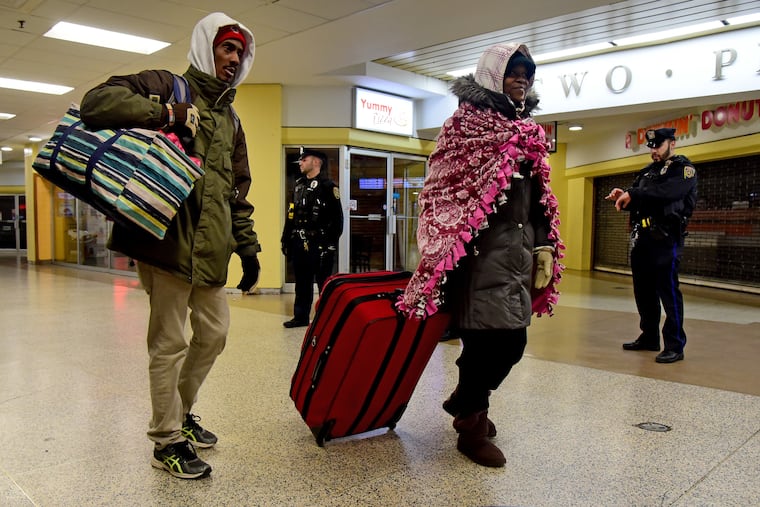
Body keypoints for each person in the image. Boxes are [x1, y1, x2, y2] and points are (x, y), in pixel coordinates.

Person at [80, 12, 260, 479]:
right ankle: (166, 441)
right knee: (170, 342)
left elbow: (236, 190)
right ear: (207, 48)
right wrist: (164, 113)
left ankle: (180, 412)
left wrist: (248, 247)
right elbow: (95, 104)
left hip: (211, 252)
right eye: (227, 48)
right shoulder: (166, 85)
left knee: (214, 335)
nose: (234, 59)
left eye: (240, 52)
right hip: (165, 242)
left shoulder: (232, 120)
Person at [397, 43, 563, 467]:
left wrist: (544, 243)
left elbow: (538, 197)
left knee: (510, 342)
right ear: (492, 75)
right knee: (490, 344)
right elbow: (443, 190)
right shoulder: (464, 126)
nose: (522, 78)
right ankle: (470, 424)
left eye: (527, 72)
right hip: (477, 258)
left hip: (518, 257)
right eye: (513, 71)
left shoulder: (526, 131)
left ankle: (469, 403)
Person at [606, 127, 697, 364]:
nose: (654, 151)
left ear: (672, 143)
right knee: (643, 291)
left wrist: (634, 194)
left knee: (668, 292)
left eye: (658, 146)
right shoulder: (647, 173)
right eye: (651, 147)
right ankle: (649, 336)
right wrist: (622, 196)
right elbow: (637, 201)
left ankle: (675, 345)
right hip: (643, 238)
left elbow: (668, 193)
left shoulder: (683, 169)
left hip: (666, 238)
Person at [281, 148, 344, 328]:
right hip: (300, 242)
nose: (300, 163)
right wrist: (286, 238)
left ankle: (325, 318)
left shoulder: (328, 187)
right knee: (302, 282)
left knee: (323, 283)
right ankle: (300, 317)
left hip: (320, 243)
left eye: (304, 159)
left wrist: (330, 245)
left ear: (316, 162)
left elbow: (337, 220)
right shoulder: (299, 185)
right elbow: (291, 213)